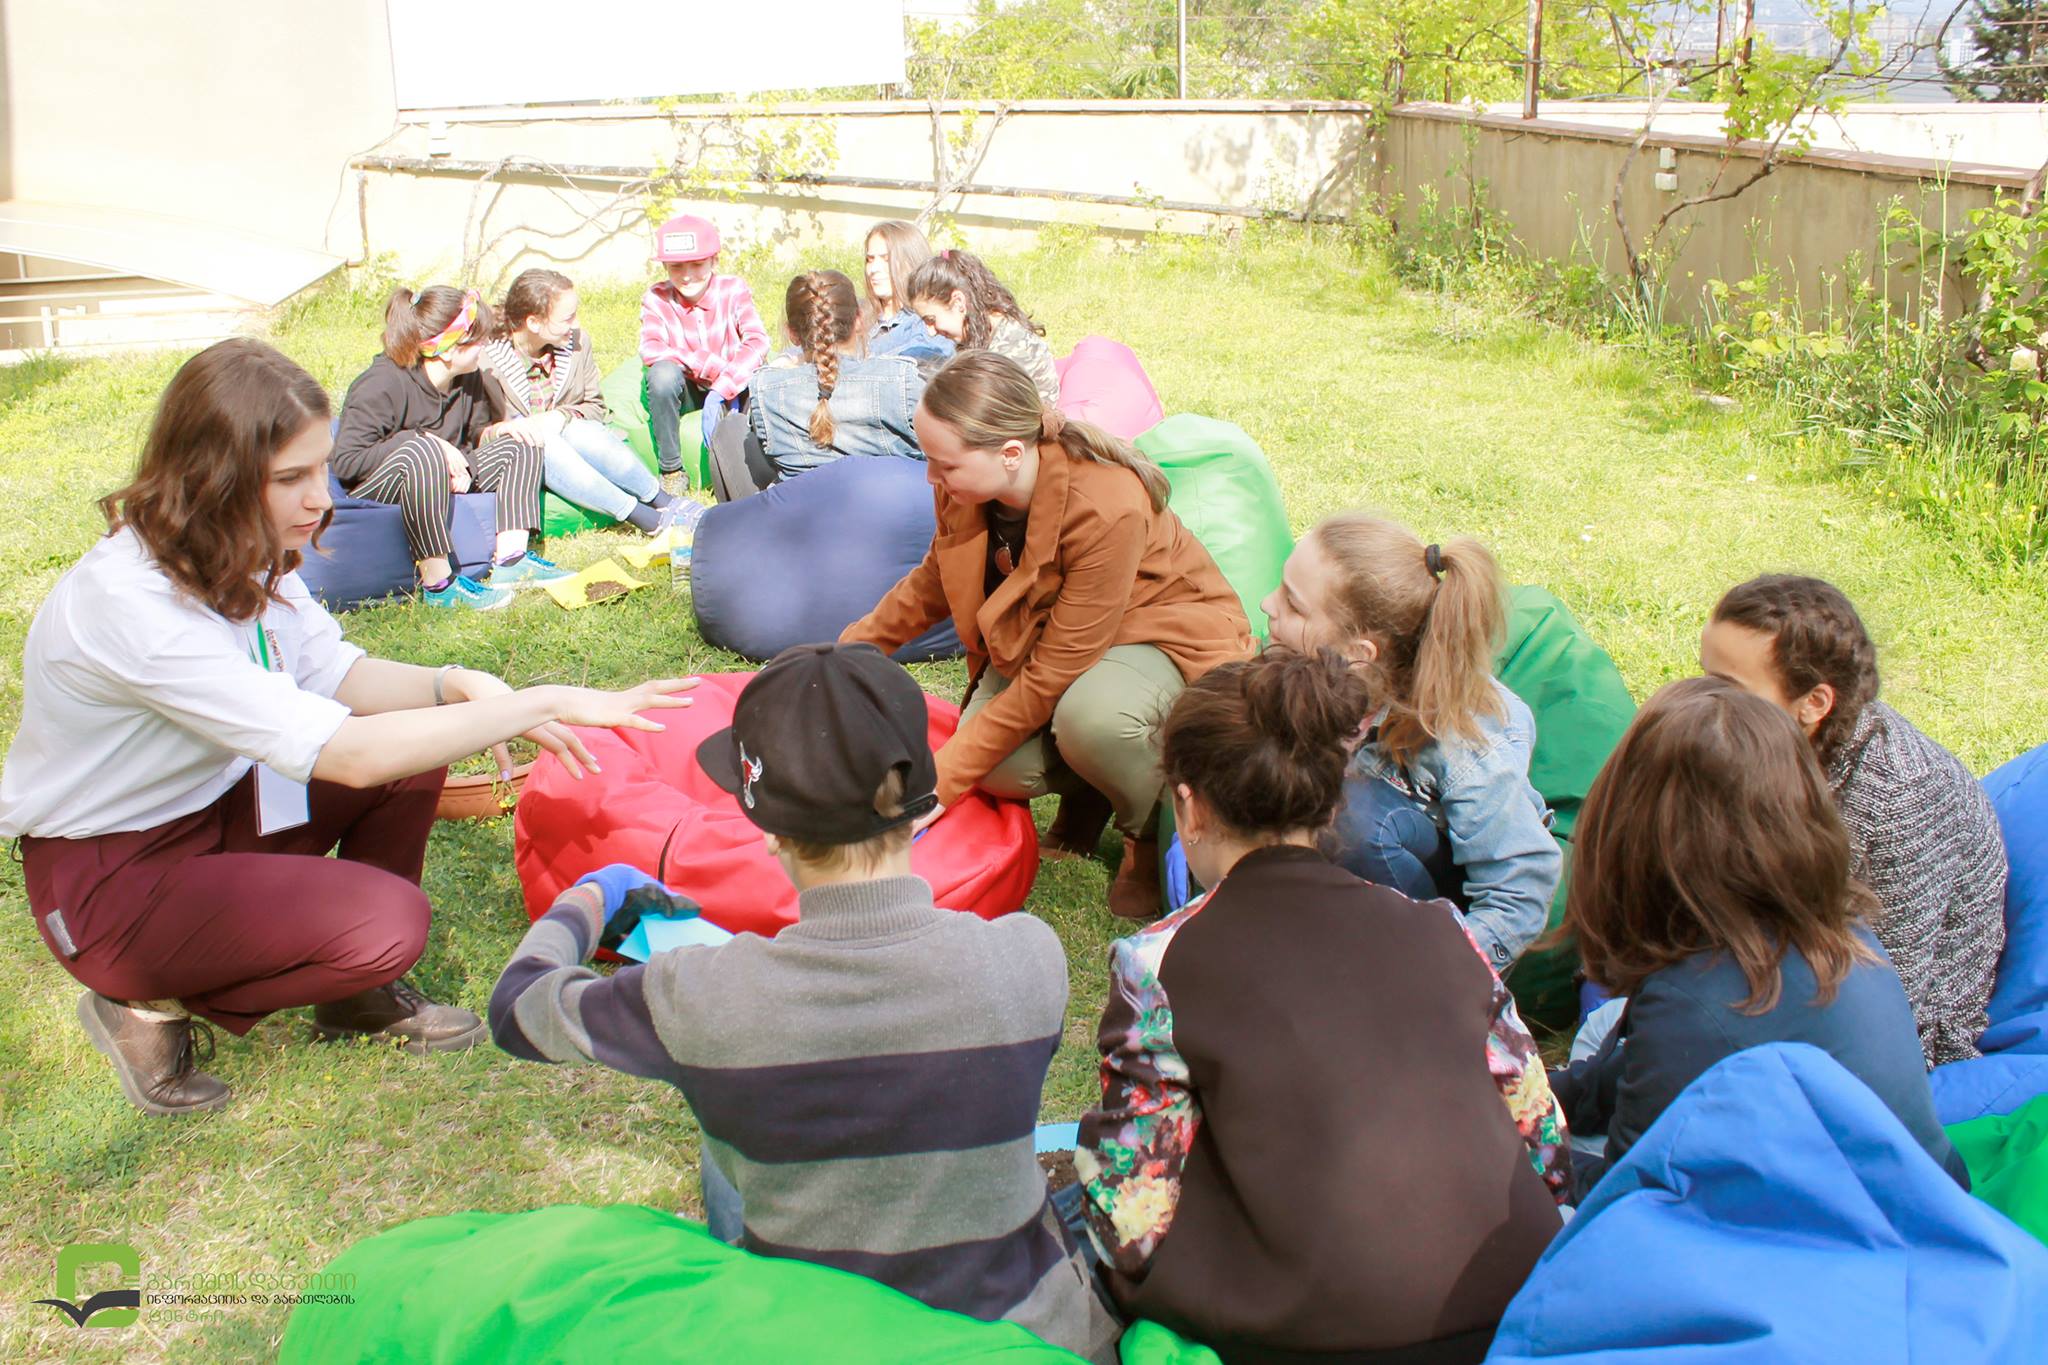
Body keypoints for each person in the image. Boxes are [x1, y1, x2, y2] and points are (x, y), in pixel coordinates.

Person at [0, 339, 698, 1117]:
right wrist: (535, 702)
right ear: (212, 478)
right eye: (290, 478)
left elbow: (336, 674)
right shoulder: (132, 604)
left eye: (321, 470)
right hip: (113, 877)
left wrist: (449, 683)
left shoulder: (239, 545)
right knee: (389, 925)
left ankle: (354, 993)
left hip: (215, 805)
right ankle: (142, 998)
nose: (320, 499)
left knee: (417, 734)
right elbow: (351, 755)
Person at [490, 643, 1121, 1363]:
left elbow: (518, 1009)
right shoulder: (1030, 956)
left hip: (814, 1337)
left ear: (769, 833)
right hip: (1024, 1335)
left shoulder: (703, 994)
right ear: (923, 807)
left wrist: (594, 896)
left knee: (726, 1120)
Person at [1073, 649, 1564, 1364]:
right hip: (1515, 1303)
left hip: (1311, 1335)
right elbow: (1544, 1145)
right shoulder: (1443, 930)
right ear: (1333, 802)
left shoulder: (1158, 962)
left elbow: (1130, 1223)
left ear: (1190, 804)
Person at [840, 352, 1252, 920]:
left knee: (1093, 721)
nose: (930, 477)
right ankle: (1090, 791)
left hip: (1156, 630)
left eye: (944, 464)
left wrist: (938, 785)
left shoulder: (1105, 505)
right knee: (995, 768)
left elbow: (1050, 677)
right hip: (1058, 634)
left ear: (1010, 454)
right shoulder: (965, 484)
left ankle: (1146, 829)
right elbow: (935, 579)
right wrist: (848, 655)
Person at [1548, 676, 1970, 1197]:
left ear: (1632, 830)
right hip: (1918, 1200)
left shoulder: (1691, 1003)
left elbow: (1627, 1203)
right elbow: (1640, 1062)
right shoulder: (1833, 926)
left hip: (1838, 1237)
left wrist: (1524, 1147)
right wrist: (1542, 1094)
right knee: (1607, 1028)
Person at [1701, 574, 2007, 1068]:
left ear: (1814, 703)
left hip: (1888, 1027)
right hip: (1781, 951)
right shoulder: (1764, 740)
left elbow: (1889, 994)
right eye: (1703, 677)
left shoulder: (1897, 799)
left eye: (1727, 689)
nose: (1702, 702)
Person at [1262, 514, 1560, 972]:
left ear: (1359, 654)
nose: (1268, 604)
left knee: (1354, 818)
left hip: (1436, 931)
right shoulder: (1302, 668)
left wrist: (1435, 979)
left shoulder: (1464, 738)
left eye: (1293, 605)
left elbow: (1517, 897)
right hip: (1346, 894)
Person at [332, 284, 571, 610]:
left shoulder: (468, 378)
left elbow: (473, 436)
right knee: (423, 451)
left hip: (446, 478)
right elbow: (346, 462)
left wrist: (496, 433)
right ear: (448, 349)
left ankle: (512, 561)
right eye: (478, 340)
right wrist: (425, 443)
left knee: (521, 440)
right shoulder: (380, 384)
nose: (485, 346)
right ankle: (439, 585)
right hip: (382, 489)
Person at [482, 268, 693, 535]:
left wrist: (560, 417)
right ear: (533, 323)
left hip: (575, 443)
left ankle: (662, 500)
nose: (576, 324)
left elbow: (594, 407)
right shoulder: (486, 363)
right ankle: (643, 517)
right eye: (567, 318)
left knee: (578, 431)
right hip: (522, 458)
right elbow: (476, 432)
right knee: (543, 442)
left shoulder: (577, 344)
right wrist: (519, 428)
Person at [712, 269, 925, 499]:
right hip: (892, 511)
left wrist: (785, 364)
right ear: (859, 320)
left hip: (802, 516)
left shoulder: (767, 391)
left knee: (730, 429)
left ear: (792, 334)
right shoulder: (901, 380)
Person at [639, 213, 770, 480]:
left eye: (697, 265)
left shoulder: (733, 290)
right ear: (665, 267)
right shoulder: (656, 298)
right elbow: (650, 348)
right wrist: (705, 364)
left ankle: (761, 458)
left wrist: (724, 384)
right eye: (676, 267)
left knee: (762, 375)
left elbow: (758, 340)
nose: (687, 277)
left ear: (714, 261)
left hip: (732, 385)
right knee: (661, 375)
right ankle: (672, 470)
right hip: (687, 387)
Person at [903, 249, 1060, 405]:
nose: (930, 331)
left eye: (931, 319)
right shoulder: (985, 331)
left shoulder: (1010, 352)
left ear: (958, 302)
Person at [861, 219, 953, 364]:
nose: (873, 269)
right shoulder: (856, 318)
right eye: (870, 259)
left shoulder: (929, 327)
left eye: (886, 259)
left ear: (912, 261)